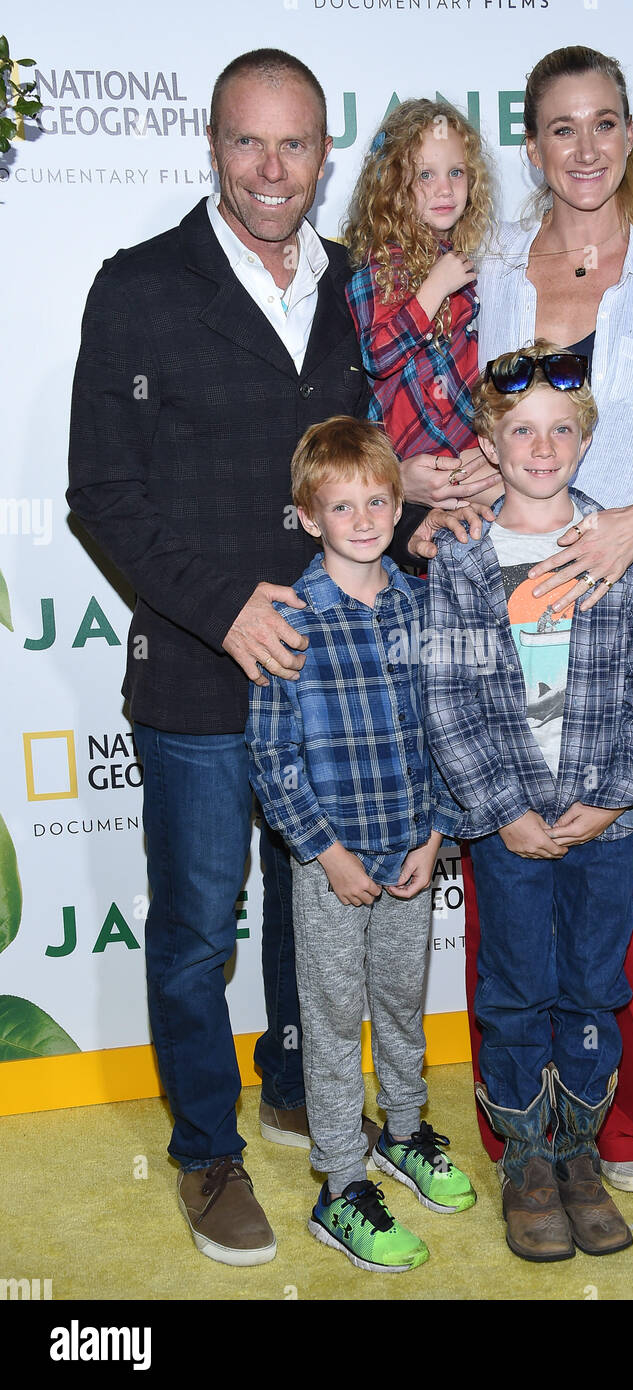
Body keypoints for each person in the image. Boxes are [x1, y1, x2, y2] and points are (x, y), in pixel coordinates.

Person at [66, 48, 447, 1266]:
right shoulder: (139, 286)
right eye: (248, 143)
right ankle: (204, 1153)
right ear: (213, 146)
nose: (272, 170)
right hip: (197, 671)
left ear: (323, 154)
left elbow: (376, 464)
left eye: (295, 146)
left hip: (338, 684)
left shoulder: (356, 288)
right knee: (194, 929)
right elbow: (104, 495)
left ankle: (298, 1086)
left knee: (310, 915)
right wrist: (224, 607)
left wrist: (439, 491)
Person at [469, 45, 633, 1189]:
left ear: (630, 132)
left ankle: (621, 1130)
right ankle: (517, 1142)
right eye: (560, 128)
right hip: (495, 604)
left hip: (612, 613)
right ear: (530, 145)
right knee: (505, 898)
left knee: (614, 908)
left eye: (604, 123)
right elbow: (457, 413)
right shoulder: (485, 265)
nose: (584, 148)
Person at [421, 342, 633, 1261]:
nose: (542, 447)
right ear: (490, 442)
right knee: (517, 990)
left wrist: (617, 802)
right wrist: (501, 810)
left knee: (593, 989)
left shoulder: (612, 545)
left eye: (560, 430)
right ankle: (526, 1158)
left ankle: (580, 1154)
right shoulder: (459, 561)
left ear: (584, 440)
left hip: (604, 826)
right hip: (511, 825)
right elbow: (446, 699)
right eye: (522, 430)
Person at [247, 416, 475, 1274]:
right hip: (331, 867)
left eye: (379, 499)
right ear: (310, 516)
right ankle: (341, 1184)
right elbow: (270, 756)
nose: (366, 518)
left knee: (404, 1008)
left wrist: (438, 830)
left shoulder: (423, 607)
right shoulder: (292, 619)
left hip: (412, 856)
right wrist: (325, 854)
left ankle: (406, 1135)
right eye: (342, 506)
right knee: (336, 1024)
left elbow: (445, 730)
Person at [343, 98, 501, 511]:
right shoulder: (380, 267)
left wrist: (488, 446)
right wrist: (434, 287)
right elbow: (377, 354)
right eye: (425, 175)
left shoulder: (462, 264)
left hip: (468, 456)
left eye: (456, 172)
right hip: (412, 467)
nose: (445, 189)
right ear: (395, 185)